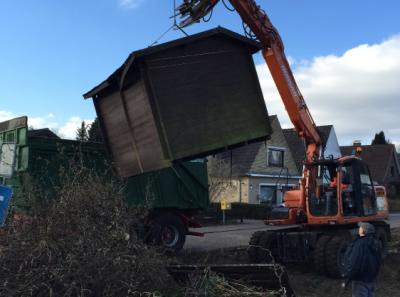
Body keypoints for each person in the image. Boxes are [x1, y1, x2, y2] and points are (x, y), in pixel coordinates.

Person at [343, 222, 382, 297]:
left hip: (360, 280)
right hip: (371, 279)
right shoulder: (376, 243)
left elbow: (354, 263)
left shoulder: (360, 244)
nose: (359, 229)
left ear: (364, 231)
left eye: (360, 228)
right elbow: (378, 261)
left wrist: (347, 279)